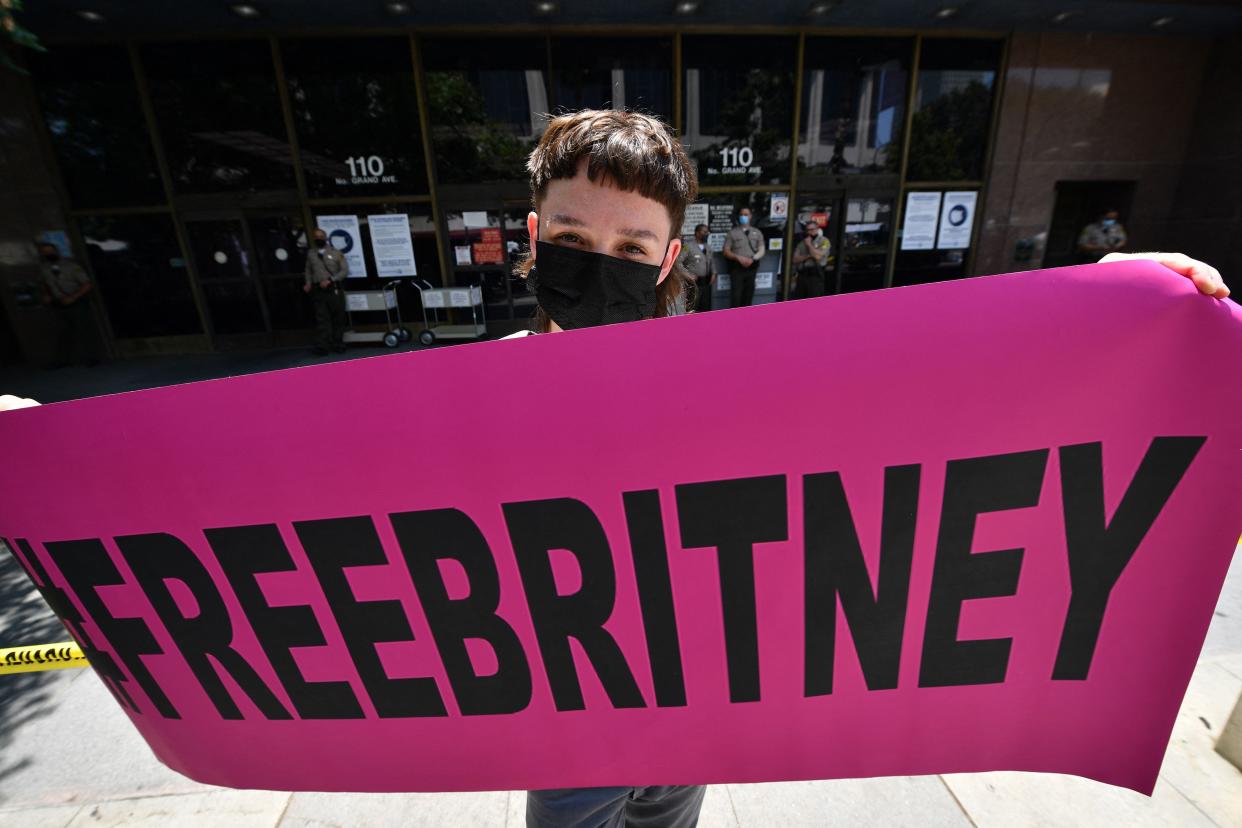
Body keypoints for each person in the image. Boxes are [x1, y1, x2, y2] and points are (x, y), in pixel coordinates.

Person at [0, 107, 1233, 826]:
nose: (603, 259)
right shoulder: (456, 390)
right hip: (569, 733)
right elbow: (272, 480)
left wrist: (1133, 309)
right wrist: (52, 454)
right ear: (534, 238)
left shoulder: (735, 368)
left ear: (672, 255)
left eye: (633, 244)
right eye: (577, 238)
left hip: (701, 720)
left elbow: (940, 396)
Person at [38, 241, 99, 368]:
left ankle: (92, 358)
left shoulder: (71, 266)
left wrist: (73, 297)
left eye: (50, 251)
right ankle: (61, 360)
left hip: (76, 301)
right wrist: (46, 295)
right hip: (59, 303)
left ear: (56, 251)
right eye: (45, 252)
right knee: (63, 332)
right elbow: (45, 284)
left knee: (84, 330)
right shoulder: (44, 269)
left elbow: (87, 284)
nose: (48, 254)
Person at [303, 227, 350, 355]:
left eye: (321, 236)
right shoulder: (311, 253)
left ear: (326, 238)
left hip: (333, 289)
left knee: (337, 318)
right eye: (316, 236)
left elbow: (344, 270)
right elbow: (308, 270)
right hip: (318, 290)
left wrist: (331, 280)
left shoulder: (336, 253)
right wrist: (308, 283)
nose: (318, 238)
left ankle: (338, 343)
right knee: (322, 319)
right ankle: (323, 346)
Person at [721, 207, 765, 308]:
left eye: (746, 214)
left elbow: (762, 249)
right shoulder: (732, 233)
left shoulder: (757, 232)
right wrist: (739, 258)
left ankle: (746, 321)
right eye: (741, 214)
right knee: (736, 297)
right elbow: (726, 251)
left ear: (750, 216)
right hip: (737, 269)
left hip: (751, 268)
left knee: (748, 297)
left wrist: (753, 258)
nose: (743, 217)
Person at [676, 223, 716, 313]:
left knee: (706, 307)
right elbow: (678, 262)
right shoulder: (688, 246)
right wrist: (688, 275)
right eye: (704, 232)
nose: (707, 234)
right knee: (693, 307)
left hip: (706, 282)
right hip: (693, 283)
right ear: (697, 233)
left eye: (707, 232)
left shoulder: (708, 247)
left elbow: (711, 261)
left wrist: (714, 273)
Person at [791, 219, 831, 300]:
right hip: (802, 275)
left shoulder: (824, 241)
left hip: (815, 275)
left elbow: (817, 257)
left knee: (814, 301)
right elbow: (795, 259)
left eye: (812, 229)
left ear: (817, 229)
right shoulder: (802, 243)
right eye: (808, 230)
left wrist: (809, 245)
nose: (810, 232)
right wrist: (809, 256)